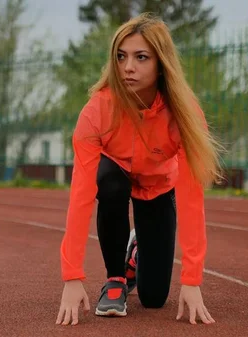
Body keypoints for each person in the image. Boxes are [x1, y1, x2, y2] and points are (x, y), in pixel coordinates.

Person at [55, 12, 224, 326]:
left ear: (161, 64)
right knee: (107, 182)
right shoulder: (96, 111)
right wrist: (72, 277)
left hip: (158, 186)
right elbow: (80, 196)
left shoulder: (184, 115)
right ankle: (116, 279)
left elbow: (191, 201)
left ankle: (135, 256)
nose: (128, 67)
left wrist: (191, 280)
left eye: (141, 57)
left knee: (154, 298)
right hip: (116, 175)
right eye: (121, 56)